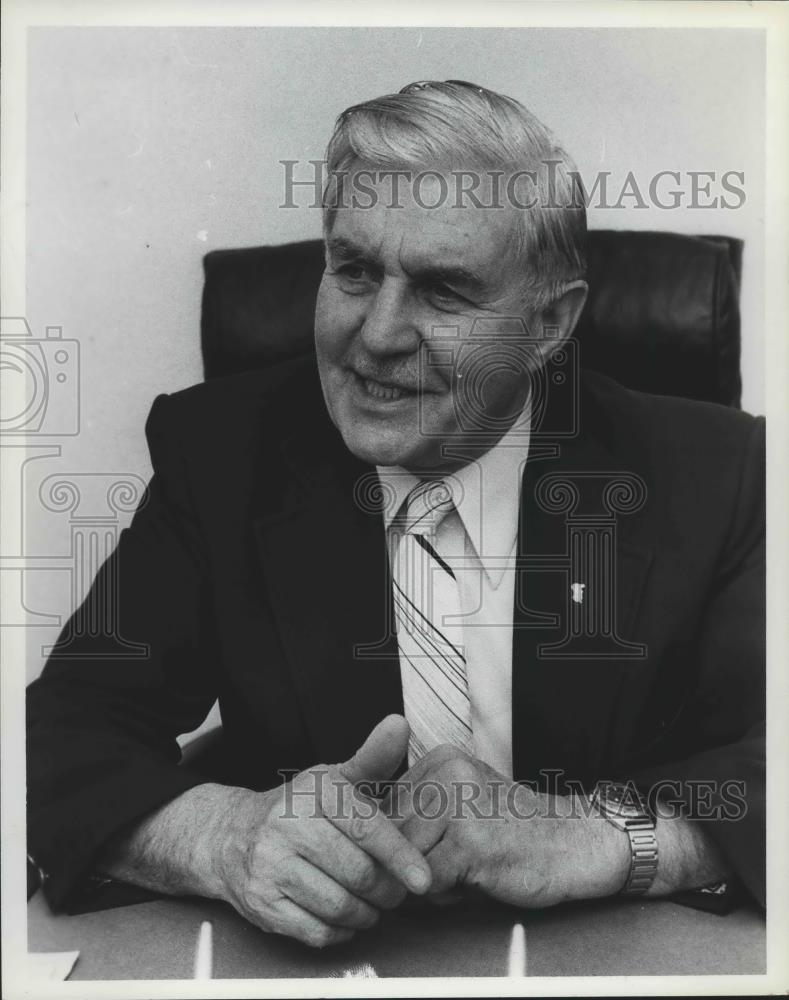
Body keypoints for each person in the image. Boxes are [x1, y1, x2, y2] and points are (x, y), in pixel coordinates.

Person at [27, 81, 765, 949]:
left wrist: (602, 841)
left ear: (551, 323)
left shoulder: (715, 473)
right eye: (354, 271)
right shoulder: (221, 454)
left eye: (444, 292)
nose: (376, 335)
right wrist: (220, 838)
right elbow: (60, 731)